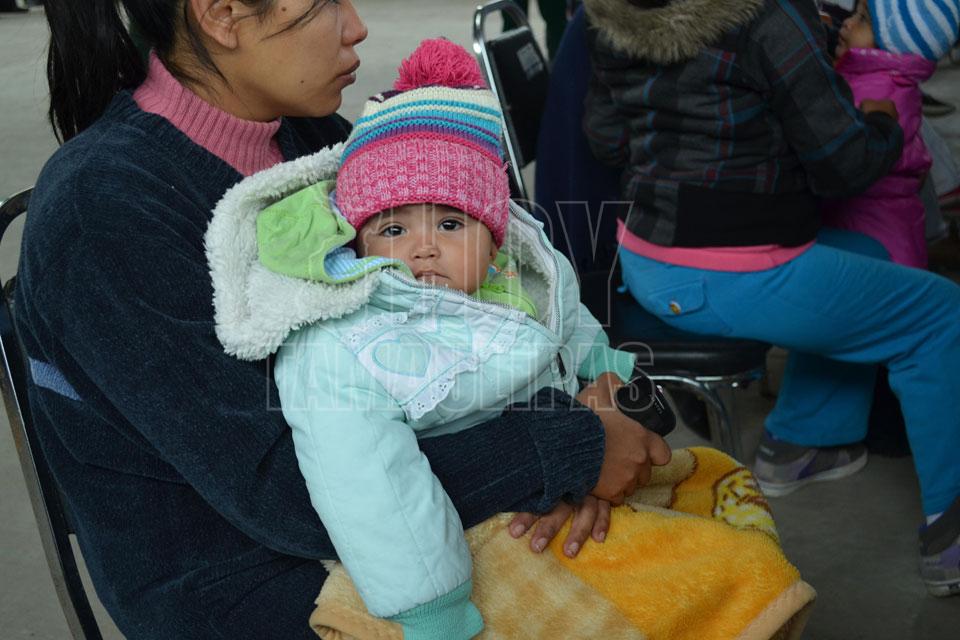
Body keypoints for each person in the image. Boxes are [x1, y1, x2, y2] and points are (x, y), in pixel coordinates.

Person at [17, 2, 672, 638]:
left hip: (411, 500)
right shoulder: (104, 210)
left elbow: (483, 308)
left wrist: (591, 406)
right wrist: (567, 448)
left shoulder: (311, 137)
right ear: (222, 15)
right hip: (248, 576)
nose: (356, 27)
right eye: (325, 3)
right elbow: (283, 496)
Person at [206, 38, 661, 639]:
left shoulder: (524, 279)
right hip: (452, 542)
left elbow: (576, 335)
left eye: (450, 223)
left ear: (494, 240)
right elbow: (369, 480)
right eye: (393, 228)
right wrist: (434, 611)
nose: (424, 247)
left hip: (563, 471)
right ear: (357, 242)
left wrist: (614, 392)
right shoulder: (348, 342)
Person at [581, 0, 960, 596]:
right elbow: (844, 165)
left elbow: (606, 140)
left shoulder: (613, 10)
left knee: (864, 256)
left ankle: (802, 441)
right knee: (941, 313)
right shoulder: (769, 16)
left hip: (647, 257)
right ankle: (952, 534)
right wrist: (883, 121)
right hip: (731, 276)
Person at [821, 0, 943, 268]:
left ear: (894, 45)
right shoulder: (878, 78)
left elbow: (843, 150)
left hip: (877, 241)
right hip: (875, 230)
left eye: (863, 20)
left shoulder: (878, 90)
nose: (848, 22)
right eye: (854, 14)